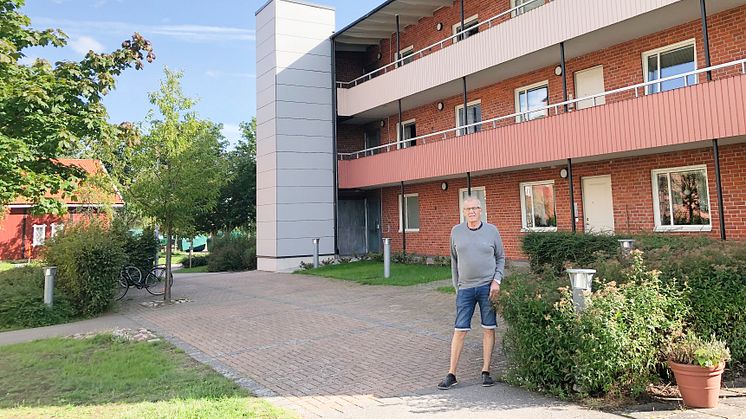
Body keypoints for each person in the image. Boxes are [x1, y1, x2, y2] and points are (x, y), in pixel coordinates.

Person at [438, 195, 505, 390]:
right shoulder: (456, 232)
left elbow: (500, 257)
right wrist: (456, 286)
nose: (472, 211)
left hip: (487, 287)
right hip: (465, 289)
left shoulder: (492, 231)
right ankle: (451, 374)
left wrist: (497, 281)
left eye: (475, 208)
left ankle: (486, 371)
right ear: (464, 212)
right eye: (468, 209)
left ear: (481, 210)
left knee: (488, 328)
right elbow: (454, 260)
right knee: (460, 331)